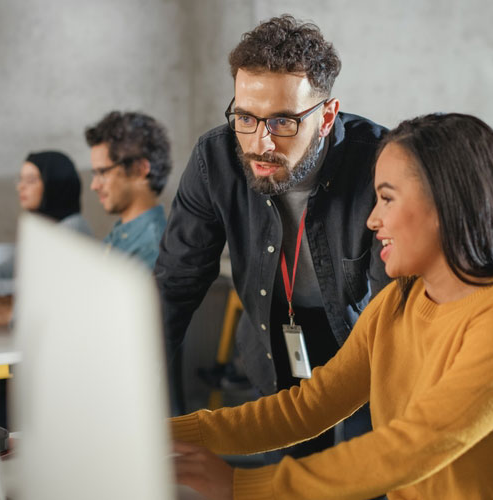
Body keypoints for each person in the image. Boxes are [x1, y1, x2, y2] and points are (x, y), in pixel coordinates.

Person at [171, 113, 493, 500]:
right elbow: (306, 410)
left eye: (386, 199)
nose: (372, 220)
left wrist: (242, 486)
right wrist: (164, 434)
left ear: (446, 203)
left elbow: (414, 446)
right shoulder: (397, 304)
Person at [154, 15, 388, 458]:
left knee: (359, 475)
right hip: (272, 338)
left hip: (365, 348)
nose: (260, 143)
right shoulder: (216, 158)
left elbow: (400, 306)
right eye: (246, 117)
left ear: (327, 116)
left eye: (283, 122)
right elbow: (174, 286)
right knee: (287, 475)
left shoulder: (381, 163)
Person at [0, 150, 91, 325]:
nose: (20, 187)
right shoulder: (44, 229)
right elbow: (9, 269)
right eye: (21, 179)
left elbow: (34, 289)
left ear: (54, 184)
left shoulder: (71, 232)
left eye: (30, 180)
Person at [85, 111, 171, 268]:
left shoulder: (151, 248)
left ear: (140, 169)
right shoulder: (124, 233)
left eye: (102, 172)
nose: (94, 185)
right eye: (94, 174)